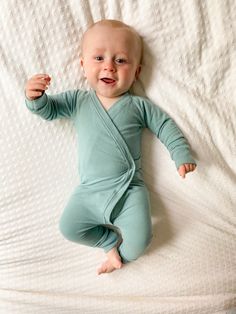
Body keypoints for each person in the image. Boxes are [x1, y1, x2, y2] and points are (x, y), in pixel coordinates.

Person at [25, 19, 196, 275]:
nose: (109, 66)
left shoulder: (139, 106)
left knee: (140, 240)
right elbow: (50, 110)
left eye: (120, 61)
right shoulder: (77, 100)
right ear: (83, 65)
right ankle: (108, 242)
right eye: (98, 58)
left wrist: (180, 153)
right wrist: (35, 97)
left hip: (130, 191)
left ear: (137, 72)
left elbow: (164, 126)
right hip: (89, 192)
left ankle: (121, 257)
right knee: (68, 227)